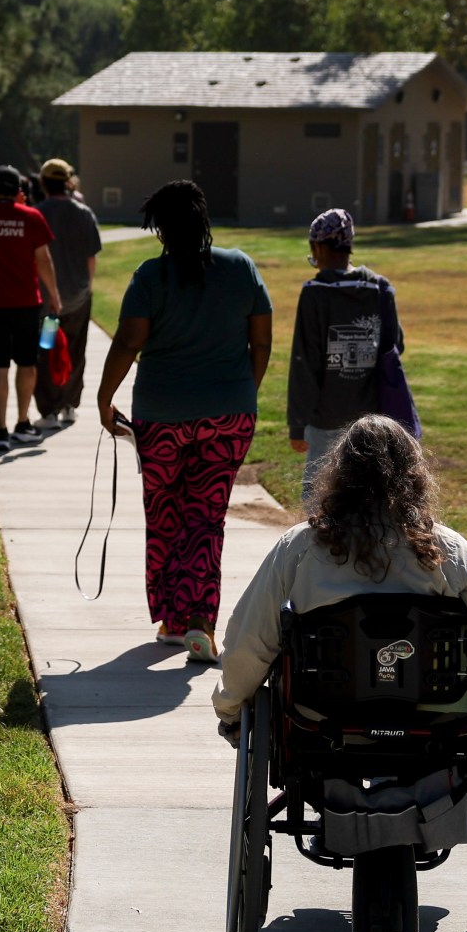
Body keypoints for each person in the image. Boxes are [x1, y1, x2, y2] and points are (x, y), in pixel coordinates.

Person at [213, 414, 467, 743]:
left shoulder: (299, 549)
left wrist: (231, 708)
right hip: (435, 713)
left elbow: (250, 639)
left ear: (339, 475)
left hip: (323, 713)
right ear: (413, 476)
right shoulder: (448, 550)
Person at [95, 180, 272, 664]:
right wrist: (242, 394)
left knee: (166, 513)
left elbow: (129, 342)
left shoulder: (150, 277)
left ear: (161, 230)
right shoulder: (241, 268)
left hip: (161, 417)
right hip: (230, 415)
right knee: (206, 517)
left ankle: (174, 619)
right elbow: (261, 341)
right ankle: (200, 622)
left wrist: (105, 397)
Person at [286, 207, 403, 510]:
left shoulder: (315, 292)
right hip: (372, 419)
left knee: (320, 500)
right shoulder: (380, 288)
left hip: (325, 417)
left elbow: (305, 361)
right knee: (369, 497)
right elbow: (395, 347)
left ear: (319, 247)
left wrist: (297, 424)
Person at [0, 166, 63, 450]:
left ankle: (1, 430)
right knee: (27, 363)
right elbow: (43, 259)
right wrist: (53, 294)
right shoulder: (32, 217)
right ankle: (22, 422)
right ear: (18, 189)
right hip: (25, 302)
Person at [32, 157, 104, 427]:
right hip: (78, 298)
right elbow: (91, 257)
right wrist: (88, 287)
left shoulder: (37, 213)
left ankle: (49, 408)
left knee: (47, 349)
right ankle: (70, 405)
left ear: (43, 183)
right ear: (68, 182)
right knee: (75, 349)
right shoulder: (84, 213)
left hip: (46, 301)